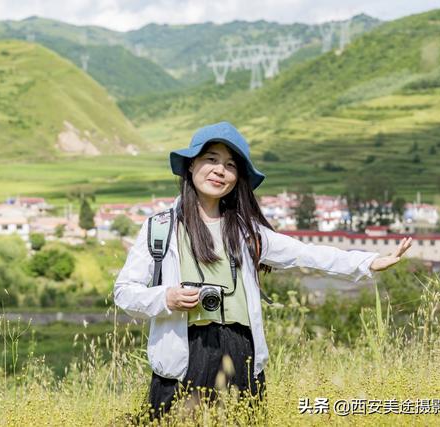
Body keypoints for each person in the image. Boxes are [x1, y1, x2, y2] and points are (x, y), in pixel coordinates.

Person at [113, 121, 412, 420]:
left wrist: (367, 262)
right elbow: (125, 292)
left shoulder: (246, 232)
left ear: (237, 177)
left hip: (241, 354)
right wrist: (167, 298)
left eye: (231, 165)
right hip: (183, 355)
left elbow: (305, 254)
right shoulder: (160, 228)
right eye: (212, 159)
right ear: (191, 165)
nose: (220, 171)